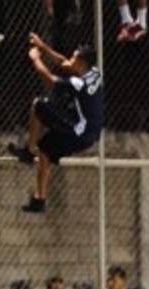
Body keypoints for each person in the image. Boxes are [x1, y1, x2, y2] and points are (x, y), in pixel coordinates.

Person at [7, 35, 104, 214]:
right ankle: (39, 200)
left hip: (78, 132)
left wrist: (36, 58)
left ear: (81, 63)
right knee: (45, 149)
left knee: (39, 104)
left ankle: (29, 151)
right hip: (88, 132)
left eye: (74, 58)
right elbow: (63, 62)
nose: (70, 60)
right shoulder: (94, 73)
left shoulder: (79, 82)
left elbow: (50, 79)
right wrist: (43, 46)